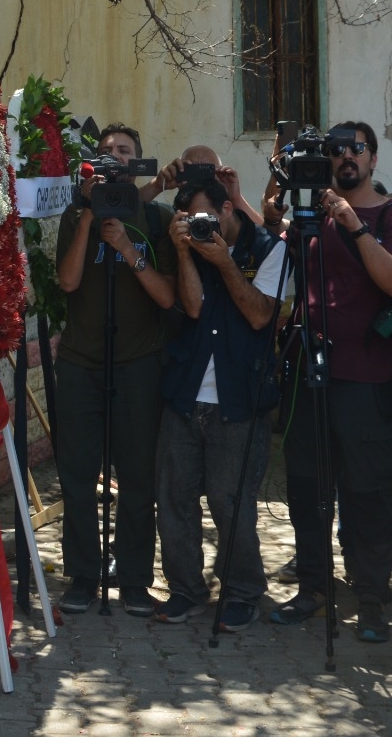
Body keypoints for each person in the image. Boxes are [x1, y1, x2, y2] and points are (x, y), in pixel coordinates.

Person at [270, 121, 392, 644]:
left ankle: (372, 595)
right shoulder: (310, 213)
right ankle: (313, 587)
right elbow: (275, 252)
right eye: (336, 150)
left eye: (356, 148)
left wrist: (353, 224)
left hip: (365, 377)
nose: (345, 156)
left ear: (373, 158)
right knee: (306, 486)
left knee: (367, 490)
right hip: (309, 374)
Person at [152, 177, 287, 631]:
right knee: (174, 497)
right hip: (186, 393)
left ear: (228, 207)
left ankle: (243, 591)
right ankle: (186, 589)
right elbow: (192, 308)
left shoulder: (269, 248)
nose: (201, 225)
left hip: (240, 398)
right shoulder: (191, 246)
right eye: (191, 219)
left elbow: (260, 314)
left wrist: (226, 262)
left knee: (231, 501)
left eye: (206, 216)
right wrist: (184, 252)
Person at [54, 122, 177, 616]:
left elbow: (167, 297)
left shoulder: (157, 219)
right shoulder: (75, 215)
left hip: (138, 363)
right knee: (78, 475)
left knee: (138, 477)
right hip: (81, 362)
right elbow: (67, 283)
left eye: (124, 150)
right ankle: (84, 575)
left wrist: (127, 248)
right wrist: (88, 216)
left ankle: (134, 578)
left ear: (138, 163)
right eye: (106, 151)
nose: (114, 157)